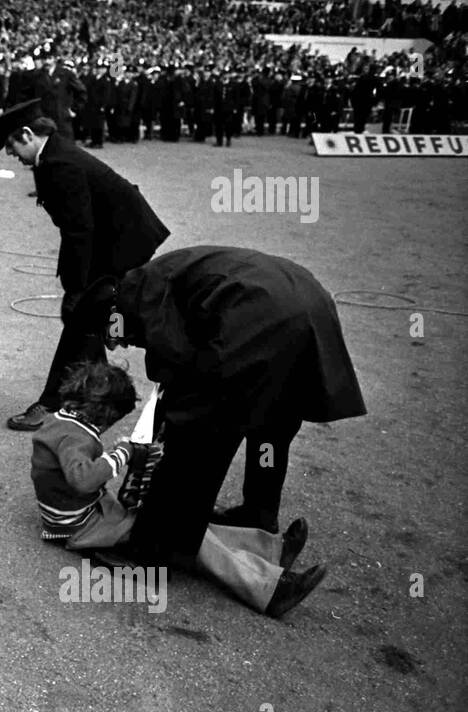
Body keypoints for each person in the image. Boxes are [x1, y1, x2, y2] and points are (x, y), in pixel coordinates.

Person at [69, 246, 367, 608]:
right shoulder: (154, 278)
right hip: (305, 301)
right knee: (272, 422)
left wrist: (158, 445)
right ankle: (259, 520)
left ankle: (149, 554)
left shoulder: (139, 298)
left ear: (111, 315)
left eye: (113, 337)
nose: (122, 344)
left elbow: (181, 379)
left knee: (195, 438)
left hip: (259, 315)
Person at [29, 360, 320, 618]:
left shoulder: (61, 423)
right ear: (101, 415)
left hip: (90, 513)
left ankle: (270, 549)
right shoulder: (73, 438)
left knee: (183, 519)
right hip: (83, 526)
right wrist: (121, 454)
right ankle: (268, 589)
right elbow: (82, 479)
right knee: (180, 529)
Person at [0, 104, 168, 432]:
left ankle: (53, 401)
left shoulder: (60, 164)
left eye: (12, 145)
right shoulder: (51, 157)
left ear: (27, 135)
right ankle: (109, 392)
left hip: (124, 241)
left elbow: (79, 231)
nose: (11, 154)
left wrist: (76, 286)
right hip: (111, 236)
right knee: (84, 320)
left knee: (80, 315)